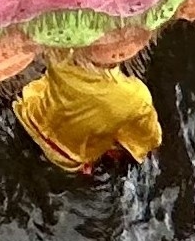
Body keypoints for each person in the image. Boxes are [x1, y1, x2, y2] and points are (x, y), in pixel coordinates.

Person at [13, 59, 164, 174]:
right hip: (69, 159)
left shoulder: (64, 58)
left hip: (28, 117)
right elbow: (147, 139)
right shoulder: (137, 97)